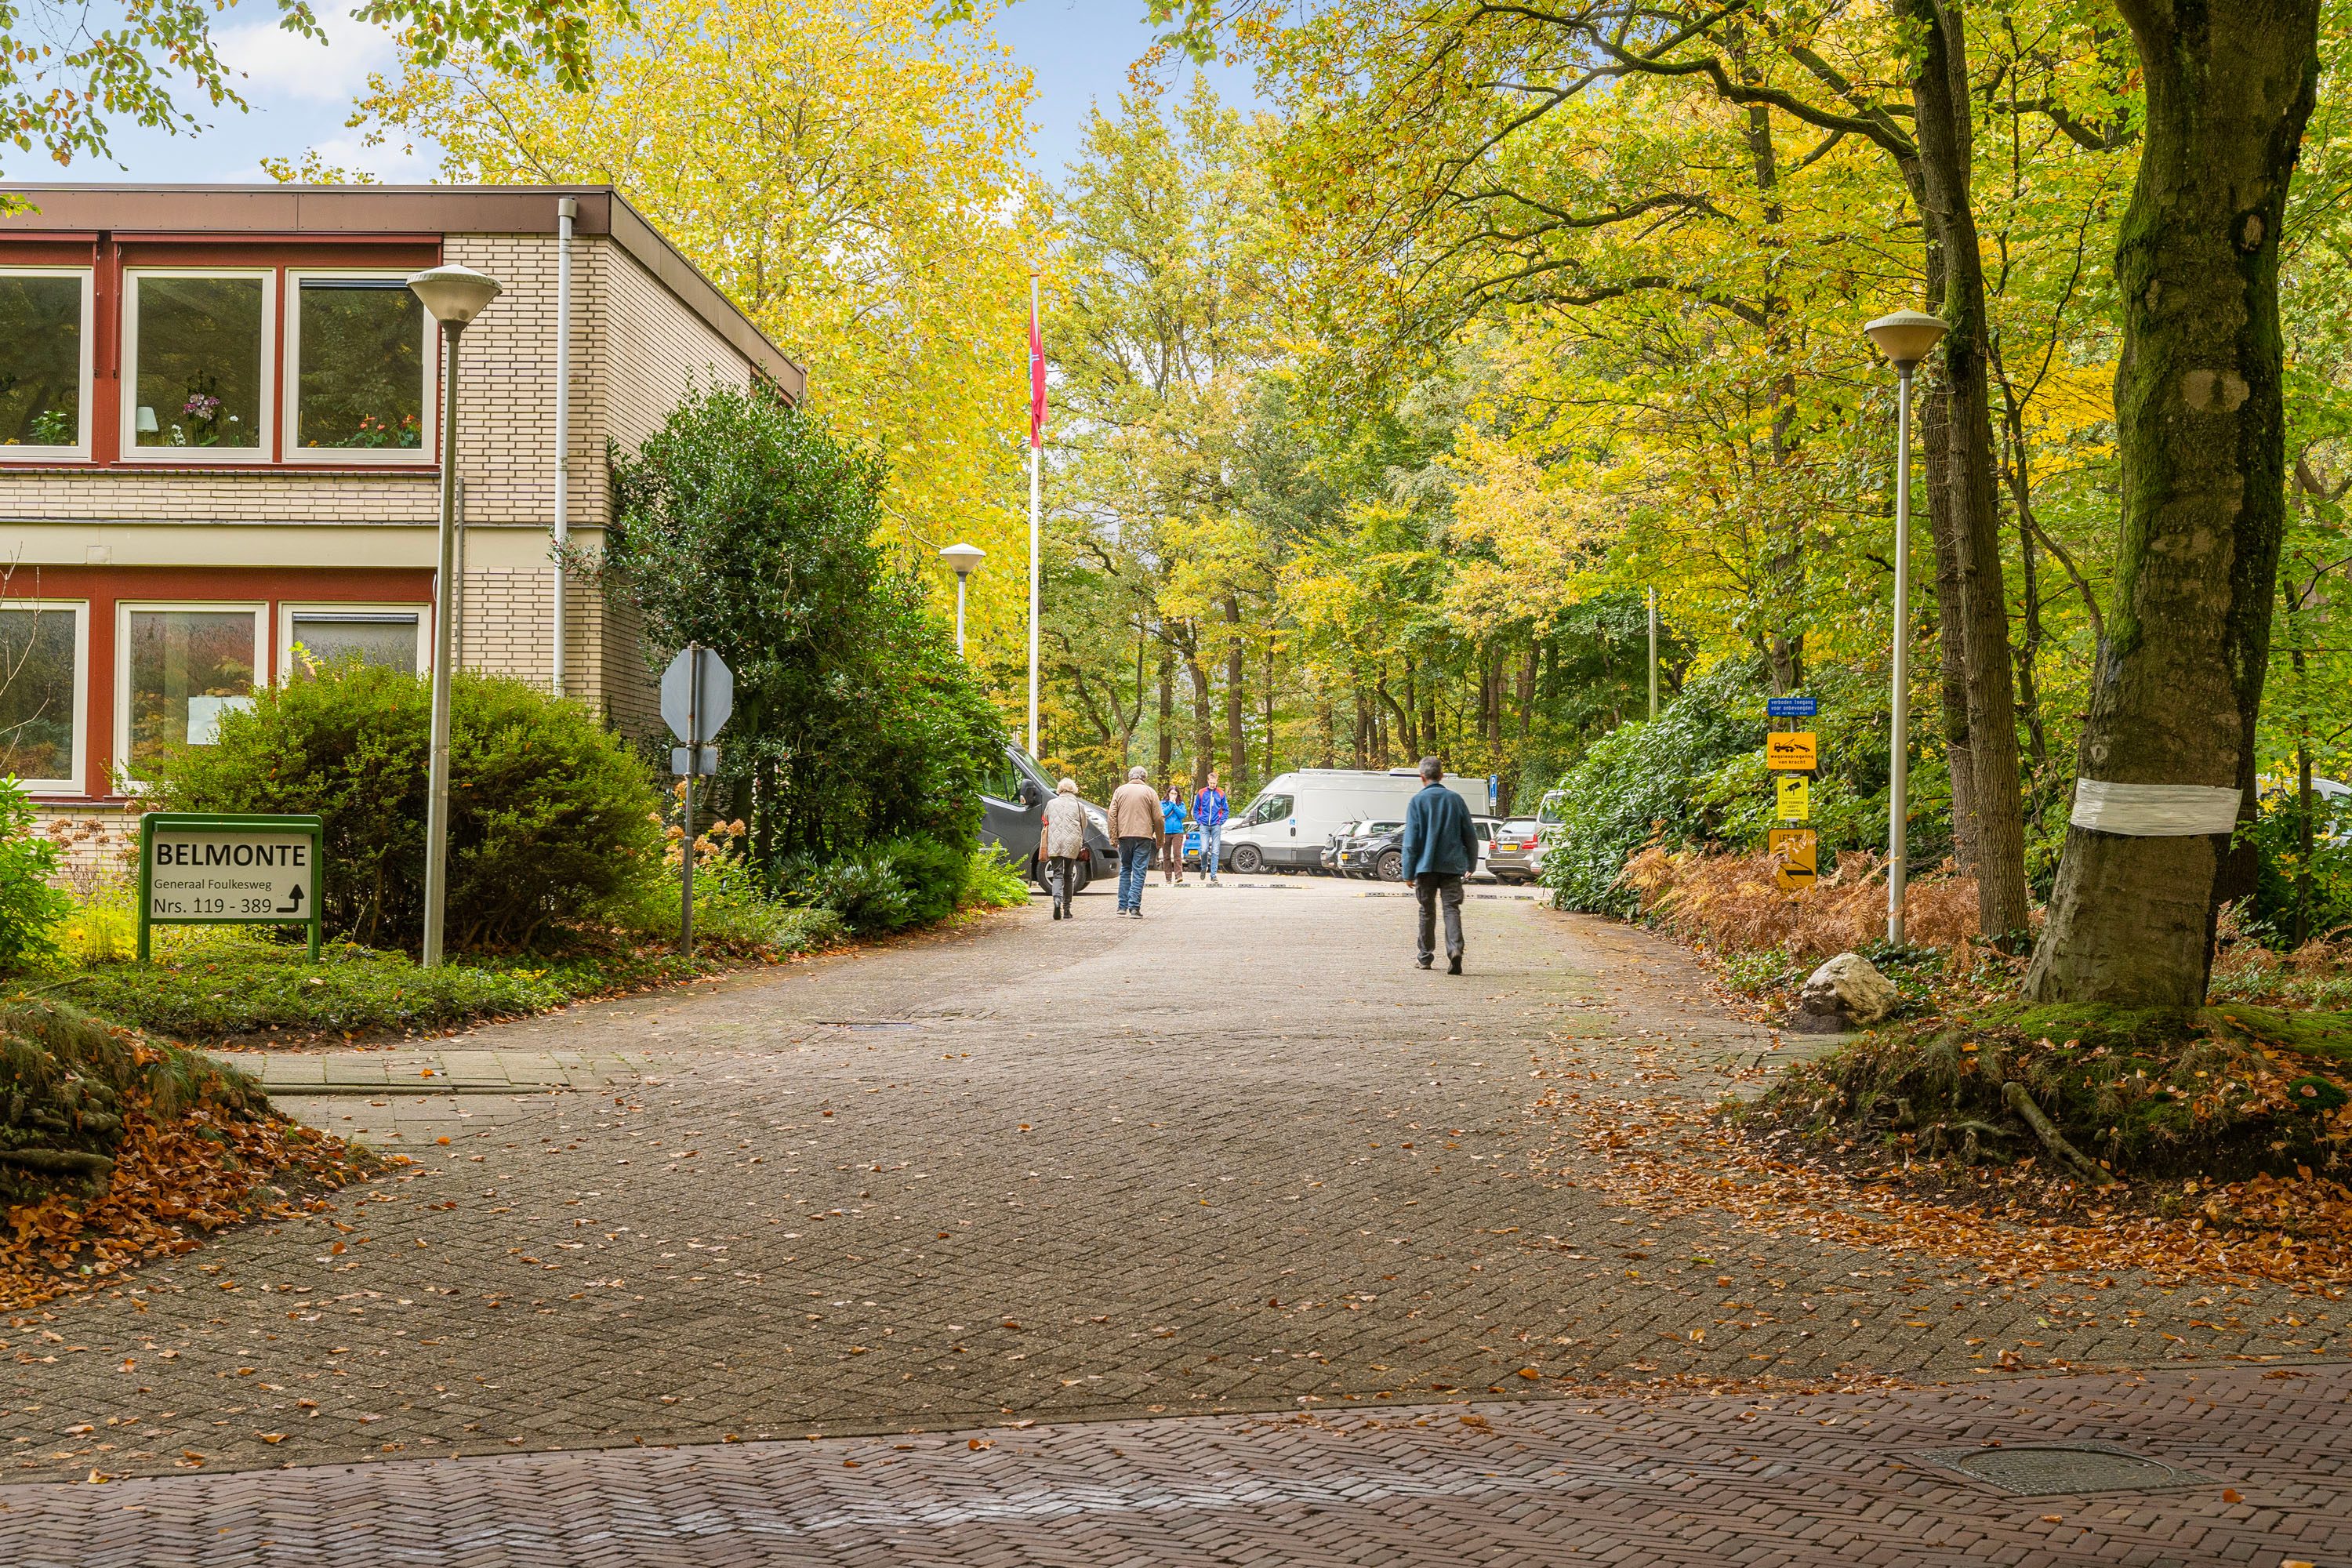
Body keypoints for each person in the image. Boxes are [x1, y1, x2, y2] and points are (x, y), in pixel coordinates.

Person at [1399, 755, 1478, 974]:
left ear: (1422, 777)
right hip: (1452, 867)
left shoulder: (1417, 801)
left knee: (1427, 911)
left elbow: (1411, 841)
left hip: (1425, 868)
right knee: (1451, 909)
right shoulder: (1456, 800)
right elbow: (1470, 836)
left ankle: (1425, 957)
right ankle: (1455, 950)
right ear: (1441, 776)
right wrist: (1471, 864)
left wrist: (1407, 872)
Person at [1108, 764, 1162, 917]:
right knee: (1139, 871)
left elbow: (1111, 815)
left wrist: (1113, 837)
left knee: (1125, 868)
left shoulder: (1120, 791)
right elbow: (1159, 818)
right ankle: (1134, 908)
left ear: (1130, 777)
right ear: (1144, 778)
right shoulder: (1150, 792)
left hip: (1124, 836)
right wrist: (1160, 839)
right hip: (1143, 837)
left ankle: (1122, 906)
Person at [1041, 776, 1087, 920]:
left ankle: (1057, 900)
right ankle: (1067, 910)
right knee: (1068, 875)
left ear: (1060, 790)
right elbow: (1084, 824)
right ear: (1073, 790)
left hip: (1054, 841)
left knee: (1057, 874)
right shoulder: (1079, 806)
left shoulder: (1051, 803)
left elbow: (1045, 820)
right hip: (1072, 842)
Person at [1192, 771, 1229, 884]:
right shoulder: (1201, 792)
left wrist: (1220, 822)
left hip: (1216, 825)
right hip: (1204, 825)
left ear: (1217, 782)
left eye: (1214, 783)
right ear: (1208, 781)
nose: (1213, 785)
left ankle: (1213, 875)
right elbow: (1196, 809)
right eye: (1211, 783)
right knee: (1204, 849)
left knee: (1215, 851)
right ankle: (1204, 867)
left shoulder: (1221, 793)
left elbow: (1226, 810)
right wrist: (1199, 821)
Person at [1160, 784, 1189, 884]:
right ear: (1168, 793)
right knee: (1166, 856)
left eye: (1175, 794)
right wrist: (1171, 805)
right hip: (1166, 832)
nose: (1173, 795)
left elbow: (1182, 815)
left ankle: (1178, 876)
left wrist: (1175, 805)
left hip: (1178, 832)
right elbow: (1162, 813)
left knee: (1177, 854)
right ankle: (1168, 878)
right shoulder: (1163, 803)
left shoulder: (1181, 804)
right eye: (1172, 793)